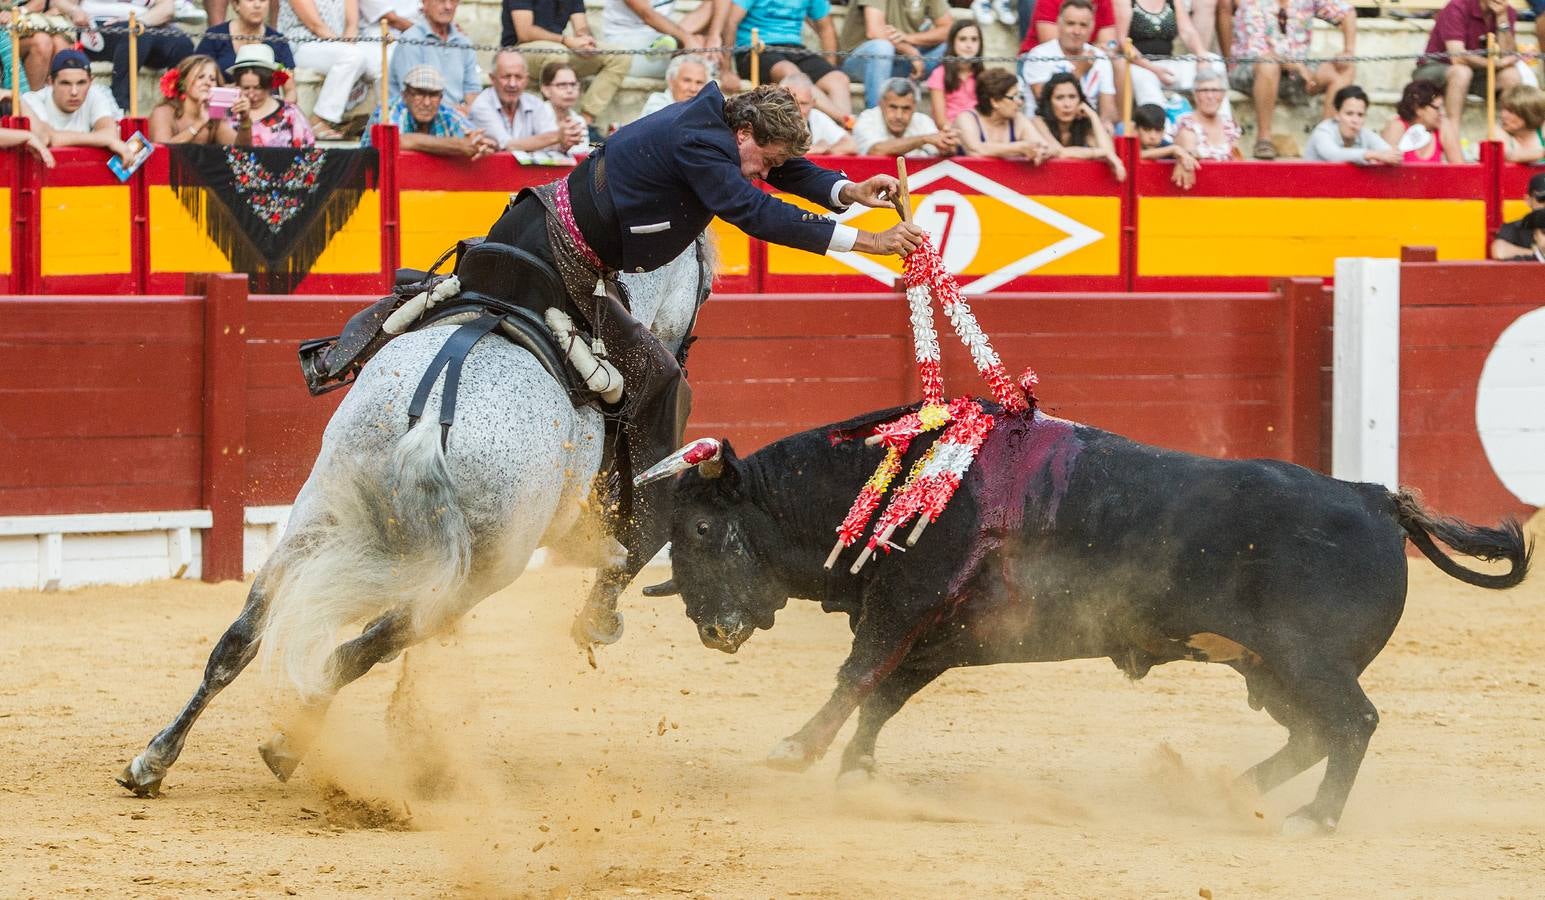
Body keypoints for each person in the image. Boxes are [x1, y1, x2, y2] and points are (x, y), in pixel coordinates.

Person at [479, 84, 921, 593]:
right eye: (762, 162)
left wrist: (851, 190)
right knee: (658, 383)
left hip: (549, 235)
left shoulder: (722, 130)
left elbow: (781, 170)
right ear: (744, 133)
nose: (762, 174)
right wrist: (869, 241)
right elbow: (755, 212)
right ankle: (601, 513)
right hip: (559, 254)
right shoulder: (700, 143)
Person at [1228, 0, 1356, 160]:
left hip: (1296, 72)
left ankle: (1325, 138)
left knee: (1345, 67)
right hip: (1251, 71)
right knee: (1269, 64)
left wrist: (1348, 51)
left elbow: (1347, 12)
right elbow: (1261, 52)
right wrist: (1297, 66)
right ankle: (1264, 139)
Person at [502, 0, 632, 131]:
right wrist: (567, 40)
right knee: (557, 54)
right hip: (517, 52)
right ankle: (550, 125)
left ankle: (583, 123)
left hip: (558, 46)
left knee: (619, 56)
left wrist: (585, 40)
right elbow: (525, 32)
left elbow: (580, 25)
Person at [1413, 0, 1535, 135]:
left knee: (1511, 75)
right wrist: (1496, 64)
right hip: (1436, 66)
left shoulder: (1507, 11)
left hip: (1476, 72)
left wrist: (1502, 18)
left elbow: (1507, 55)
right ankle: (1451, 134)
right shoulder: (1457, 6)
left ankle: (1504, 137)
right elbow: (1457, 56)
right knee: (1462, 72)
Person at [723, 0, 852, 124]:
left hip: (794, 48)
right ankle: (844, 119)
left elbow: (826, 28)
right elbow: (730, 22)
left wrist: (828, 65)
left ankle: (844, 134)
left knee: (838, 79)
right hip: (755, 49)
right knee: (790, 72)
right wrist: (726, 70)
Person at [281, 0, 380, 140]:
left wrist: (348, 43)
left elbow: (352, 24)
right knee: (352, 57)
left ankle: (380, 118)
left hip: (339, 45)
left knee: (379, 59)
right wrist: (345, 47)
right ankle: (319, 118)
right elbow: (316, 26)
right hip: (304, 44)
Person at [72, 0, 194, 111]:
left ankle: (177, 108)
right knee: (137, 36)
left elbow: (167, 7)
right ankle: (119, 107)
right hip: (96, 29)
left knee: (182, 43)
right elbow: (60, 2)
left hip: (144, 25)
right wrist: (74, 11)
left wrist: (139, 22)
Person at [22, 49, 135, 164]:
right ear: (51, 82)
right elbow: (48, 138)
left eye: (81, 83)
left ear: (91, 82)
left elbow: (110, 134)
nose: (74, 92)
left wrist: (108, 139)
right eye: (65, 83)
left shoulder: (96, 93)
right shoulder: (33, 100)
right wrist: (106, 140)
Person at [361, 64, 497, 159]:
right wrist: (458, 145)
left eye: (433, 95)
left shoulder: (445, 112)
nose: (426, 103)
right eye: (419, 94)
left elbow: (474, 139)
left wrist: (481, 144)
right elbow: (395, 141)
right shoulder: (389, 109)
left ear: (441, 97)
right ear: (405, 95)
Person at [1021, 0, 1117, 132]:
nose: (1077, 31)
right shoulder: (1040, 55)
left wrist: (1104, 125)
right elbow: (1046, 103)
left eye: (1083, 25)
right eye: (1070, 24)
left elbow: (1107, 111)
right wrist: (1079, 71)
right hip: (1045, 129)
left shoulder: (1100, 57)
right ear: (1059, 24)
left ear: (1092, 27)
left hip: (1085, 129)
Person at [838, 0, 953, 110]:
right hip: (862, 62)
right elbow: (874, 31)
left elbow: (948, 29)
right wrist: (911, 51)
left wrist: (910, 39)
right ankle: (876, 116)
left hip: (905, 62)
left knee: (952, 47)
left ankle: (956, 111)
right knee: (882, 47)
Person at [471, 48, 578, 152]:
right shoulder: (482, 105)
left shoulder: (535, 104)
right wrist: (557, 136)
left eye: (518, 77)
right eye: (506, 77)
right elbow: (506, 145)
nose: (512, 84)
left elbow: (551, 145)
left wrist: (566, 140)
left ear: (526, 79)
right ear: (492, 79)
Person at [1120, 0, 1220, 110]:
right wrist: (1154, 70)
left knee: (1215, 61)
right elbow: (1122, 42)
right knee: (1143, 77)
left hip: (1168, 63)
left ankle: (1224, 122)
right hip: (1140, 65)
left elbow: (1187, 31)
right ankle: (1158, 125)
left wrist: (1201, 55)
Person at [194, 0, 298, 103]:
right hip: (223, 106)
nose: (257, 5)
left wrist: (282, 110)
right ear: (236, 4)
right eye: (250, 0)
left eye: (263, 1)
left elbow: (291, 90)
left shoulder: (278, 41)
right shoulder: (214, 36)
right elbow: (197, 79)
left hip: (266, 110)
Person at [388, 0, 480, 113]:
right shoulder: (411, 41)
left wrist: (471, 112)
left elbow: (472, 91)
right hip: (415, 118)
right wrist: (456, 115)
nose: (448, 6)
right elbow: (415, 98)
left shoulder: (463, 41)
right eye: (441, 1)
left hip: (457, 118)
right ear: (425, 2)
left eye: (453, 1)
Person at [1032, 70, 1125, 180]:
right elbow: (1060, 152)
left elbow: (1109, 151)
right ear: (1049, 102)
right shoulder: (1038, 122)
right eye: (1059, 98)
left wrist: (1093, 116)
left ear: (1080, 101)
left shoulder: (1084, 125)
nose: (1067, 104)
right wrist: (1102, 153)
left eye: (1072, 97)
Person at [217, 42, 314, 147]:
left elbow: (306, 150)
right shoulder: (227, 112)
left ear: (269, 85)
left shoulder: (290, 113)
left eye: (258, 88)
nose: (251, 95)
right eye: (246, 88)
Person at [600, 0, 729, 79]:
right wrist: (688, 39)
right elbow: (647, 14)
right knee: (698, 45)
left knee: (712, 5)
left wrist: (714, 35)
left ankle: (675, 46)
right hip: (627, 46)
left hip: (662, 36)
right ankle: (687, 54)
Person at [954, 66, 1052, 161]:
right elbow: (976, 150)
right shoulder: (966, 118)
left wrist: (1040, 151)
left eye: (1020, 96)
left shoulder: (1017, 119)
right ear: (995, 102)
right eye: (1013, 96)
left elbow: (1042, 147)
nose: (1020, 102)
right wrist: (1020, 148)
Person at [853, 77, 956, 157]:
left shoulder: (923, 121)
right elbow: (875, 150)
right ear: (881, 104)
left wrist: (947, 147)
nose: (899, 116)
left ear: (914, 106)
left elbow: (938, 151)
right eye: (893, 107)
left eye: (906, 108)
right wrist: (924, 139)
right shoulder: (867, 118)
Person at [1303, 85, 1400, 165]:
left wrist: (1393, 155)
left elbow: (1387, 151)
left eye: (1360, 115)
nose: (1355, 120)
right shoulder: (1323, 131)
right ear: (1336, 114)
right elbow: (1333, 154)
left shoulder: (1364, 133)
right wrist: (1371, 155)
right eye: (1349, 113)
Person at [147, 54, 224, 144]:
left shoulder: (216, 114)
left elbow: (237, 148)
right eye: (200, 77)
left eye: (212, 79)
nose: (207, 83)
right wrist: (200, 123)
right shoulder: (162, 112)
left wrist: (243, 119)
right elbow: (163, 150)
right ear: (183, 82)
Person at [1381, 80, 1462, 164]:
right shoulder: (1397, 126)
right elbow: (1384, 169)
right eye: (1437, 108)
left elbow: (1461, 169)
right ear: (1418, 109)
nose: (1442, 113)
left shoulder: (1443, 126)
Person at [1173, 66, 1240, 160]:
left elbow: (1237, 160)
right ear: (1195, 94)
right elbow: (1189, 163)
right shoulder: (1186, 124)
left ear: (1223, 94)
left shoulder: (1229, 124)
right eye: (1204, 90)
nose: (1210, 96)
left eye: (1215, 90)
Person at [925, 20, 982, 129]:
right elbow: (941, 122)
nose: (969, 45)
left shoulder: (983, 75)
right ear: (952, 42)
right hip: (951, 133)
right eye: (962, 39)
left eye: (974, 39)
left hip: (979, 132)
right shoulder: (939, 74)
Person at [781, 72, 855, 154]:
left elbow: (851, 145)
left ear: (813, 103)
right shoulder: (773, 118)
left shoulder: (816, 116)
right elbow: (777, 154)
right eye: (792, 103)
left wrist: (827, 150)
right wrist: (815, 149)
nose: (798, 110)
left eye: (804, 103)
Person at [534, 61, 592, 157]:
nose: (569, 90)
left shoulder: (579, 121)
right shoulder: (535, 114)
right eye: (562, 85)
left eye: (573, 84)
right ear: (546, 90)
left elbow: (581, 157)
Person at [1134, 101, 1197, 189]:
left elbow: (1192, 155)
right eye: (1146, 130)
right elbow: (1134, 156)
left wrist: (1181, 159)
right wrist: (1173, 150)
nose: (1153, 136)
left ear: (1164, 131)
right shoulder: (1130, 145)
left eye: (1158, 130)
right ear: (1135, 129)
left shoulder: (1167, 145)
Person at [638, 52, 711, 117]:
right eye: (687, 81)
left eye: (699, 82)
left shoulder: (708, 108)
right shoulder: (657, 105)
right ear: (671, 81)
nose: (693, 89)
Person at [1491, 171, 1545, 260]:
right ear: (1528, 200)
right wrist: (1538, 254)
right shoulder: (1516, 227)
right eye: (1542, 200)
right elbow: (1499, 251)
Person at [1500, 84, 1545, 164]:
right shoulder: (1499, 131)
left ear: (1529, 114)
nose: (1503, 115)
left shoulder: (1542, 127)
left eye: (1510, 111)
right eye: (1503, 109)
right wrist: (1542, 153)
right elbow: (1508, 155)